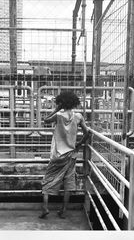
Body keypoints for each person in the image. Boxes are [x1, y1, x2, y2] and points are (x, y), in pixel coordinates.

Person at [39, 91, 89, 219]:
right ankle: (63, 210)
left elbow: (45, 120)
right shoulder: (78, 116)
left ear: (61, 103)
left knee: (48, 179)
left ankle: (45, 208)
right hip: (71, 154)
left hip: (57, 154)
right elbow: (87, 133)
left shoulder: (58, 116)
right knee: (68, 181)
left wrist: (56, 109)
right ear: (74, 102)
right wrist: (79, 144)